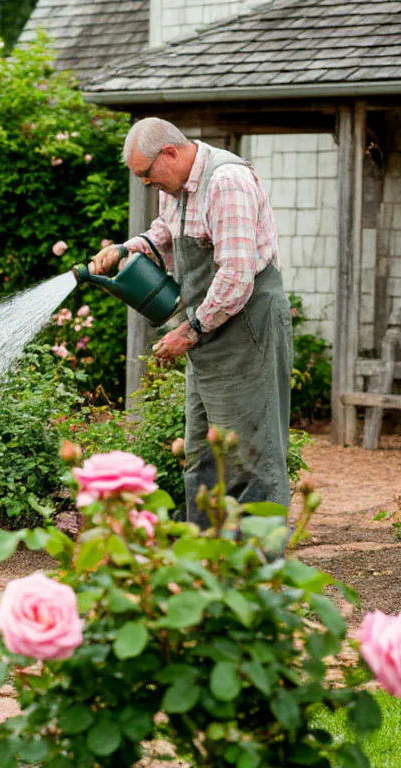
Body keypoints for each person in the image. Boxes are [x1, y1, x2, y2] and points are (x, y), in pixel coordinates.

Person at [89, 117, 292, 525]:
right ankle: (202, 561)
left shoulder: (226, 182)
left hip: (246, 326)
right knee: (201, 452)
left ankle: (257, 570)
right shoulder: (177, 188)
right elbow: (166, 231)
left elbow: (236, 273)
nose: (147, 183)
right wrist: (127, 248)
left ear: (170, 153)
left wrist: (192, 328)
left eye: (147, 174)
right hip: (212, 328)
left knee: (250, 454)